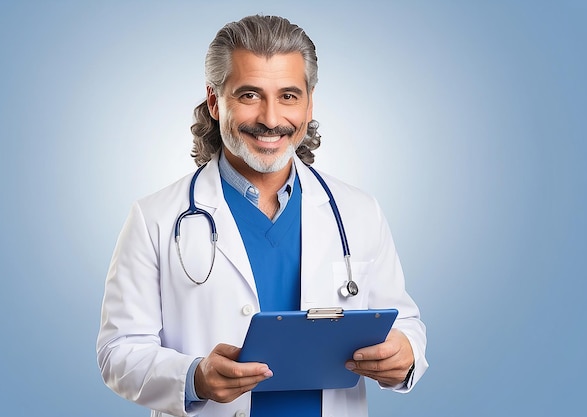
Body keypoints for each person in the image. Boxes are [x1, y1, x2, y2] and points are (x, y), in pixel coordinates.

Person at [97, 14, 428, 417]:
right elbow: (118, 352)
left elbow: (404, 321)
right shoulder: (155, 219)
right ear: (214, 101)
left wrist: (405, 354)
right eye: (249, 95)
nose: (271, 119)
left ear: (309, 104)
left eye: (288, 95)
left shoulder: (358, 211)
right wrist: (194, 377)